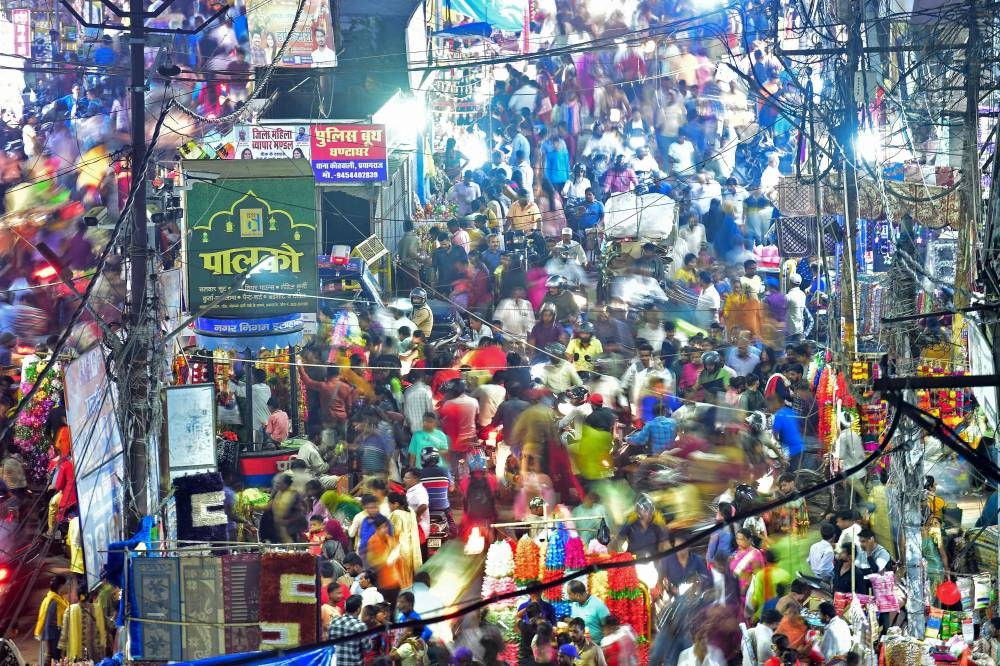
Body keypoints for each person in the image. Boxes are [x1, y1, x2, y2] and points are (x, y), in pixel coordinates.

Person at [327, 595, 369, 666]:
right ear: (358, 609)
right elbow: (367, 648)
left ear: (345, 607)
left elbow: (329, 642)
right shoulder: (360, 626)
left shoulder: (333, 622)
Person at [568, 580, 611, 645]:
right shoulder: (575, 604)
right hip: (580, 647)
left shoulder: (598, 605)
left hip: (597, 648)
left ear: (577, 595)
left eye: (569, 594)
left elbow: (608, 628)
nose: (568, 597)